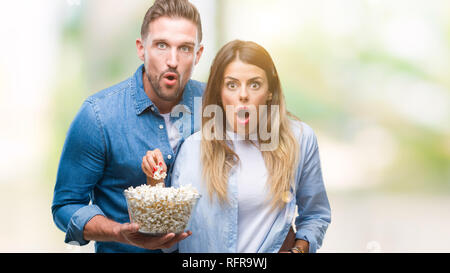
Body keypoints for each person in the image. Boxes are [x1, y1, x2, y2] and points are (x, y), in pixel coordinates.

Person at [143, 40, 331, 253]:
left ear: (270, 91)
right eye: (232, 85)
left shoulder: (299, 138)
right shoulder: (193, 149)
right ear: (220, 93)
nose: (243, 95)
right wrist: (155, 183)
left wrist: (299, 250)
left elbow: (316, 215)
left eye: (254, 84)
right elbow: (169, 243)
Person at [51, 0, 205, 253]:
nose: (173, 60)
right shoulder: (98, 116)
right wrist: (118, 232)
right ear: (141, 49)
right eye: (161, 45)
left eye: (185, 48)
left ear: (197, 55)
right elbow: (66, 205)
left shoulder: (215, 107)